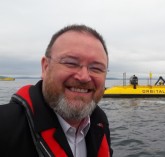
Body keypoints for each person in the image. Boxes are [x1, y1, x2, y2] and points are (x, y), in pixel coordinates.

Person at [0, 24, 113, 157]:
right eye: (71, 63)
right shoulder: (4, 126)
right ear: (45, 67)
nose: (84, 77)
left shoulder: (99, 123)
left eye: (96, 68)